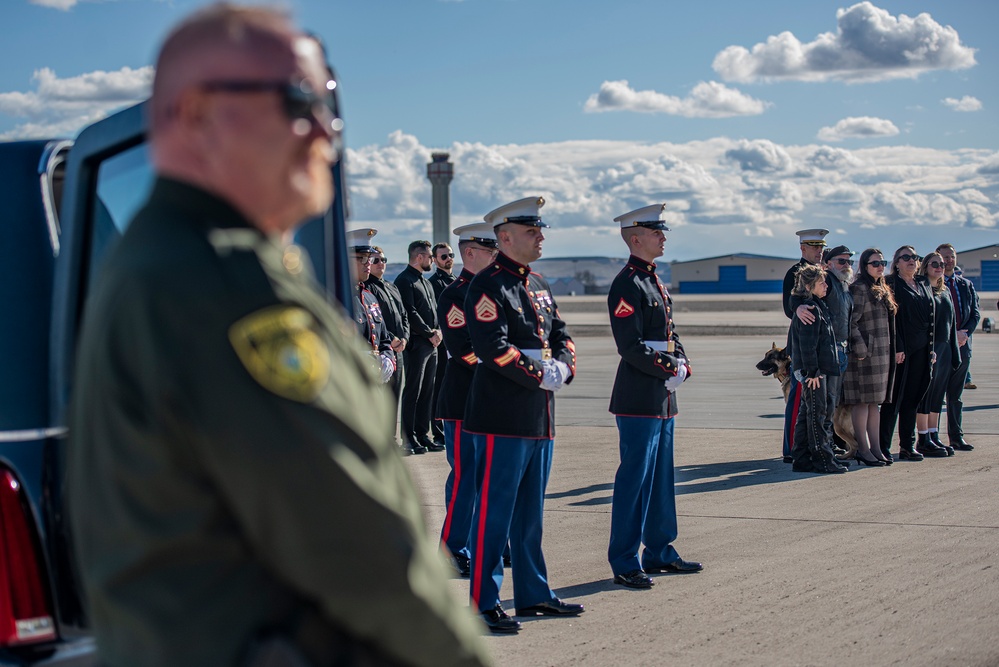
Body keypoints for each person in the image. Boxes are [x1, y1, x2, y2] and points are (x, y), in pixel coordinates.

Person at [66, 5, 488, 667]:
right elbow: (361, 550)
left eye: (328, 105)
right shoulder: (224, 284)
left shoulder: (157, 259)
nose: (324, 130)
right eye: (298, 102)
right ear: (200, 113)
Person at [464, 196, 582, 633]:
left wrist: (565, 365)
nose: (541, 237)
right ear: (505, 237)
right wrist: (540, 373)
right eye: (532, 231)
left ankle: (533, 594)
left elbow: (561, 332)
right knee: (496, 514)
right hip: (502, 417)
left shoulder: (538, 284)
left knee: (531, 514)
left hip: (539, 414)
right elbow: (491, 348)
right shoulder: (487, 285)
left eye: (540, 230)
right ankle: (483, 601)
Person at [605, 204, 702, 591]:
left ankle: (659, 549)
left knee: (661, 477)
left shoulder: (654, 281)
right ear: (635, 238)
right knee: (635, 479)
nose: (663, 236)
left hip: (662, 395)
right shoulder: (627, 282)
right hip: (639, 393)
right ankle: (625, 558)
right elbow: (629, 346)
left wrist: (684, 364)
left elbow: (670, 333)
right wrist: (668, 367)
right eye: (656, 231)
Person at [435, 223, 498, 579]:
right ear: (470, 253)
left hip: (490, 399)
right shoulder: (455, 294)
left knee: (489, 477)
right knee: (466, 478)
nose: (496, 258)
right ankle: (453, 549)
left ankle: (484, 543)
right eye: (490, 252)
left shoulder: (492, 290)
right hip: (463, 400)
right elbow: (464, 351)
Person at [791, 244, 854, 460]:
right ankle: (820, 454)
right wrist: (813, 370)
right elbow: (798, 298)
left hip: (838, 352)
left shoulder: (843, 285)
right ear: (828, 264)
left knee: (826, 405)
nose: (846, 265)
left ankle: (811, 452)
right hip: (820, 359)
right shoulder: (816, 292)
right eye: (841, 261)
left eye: (849, 261)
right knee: (819, 408)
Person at [880, 246, 942, 460]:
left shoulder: (924, 283)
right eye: (905, 257)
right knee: (893, 400)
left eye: (915, 258)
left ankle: (907, 445)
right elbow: (891, 318)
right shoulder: (890, 284)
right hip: (902, 351)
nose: (911, 261)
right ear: (896, 262)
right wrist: (897, 347)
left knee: (913, 399)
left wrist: (931, 349)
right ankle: (883, 447)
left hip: (923, 350)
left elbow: (931, 318)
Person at [842, 249, 897, 465]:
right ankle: (862, 449)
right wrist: (862, 347)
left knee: (875, 404)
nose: (880, 266)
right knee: (861, 404)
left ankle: (876, 448)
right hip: (863, 358)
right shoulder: (859, 288)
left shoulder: (881, 288)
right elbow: (851, 322)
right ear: (864, 266)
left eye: (882, 262)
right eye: (875, 263)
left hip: (881, 357)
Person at [780, 228, 828, 463]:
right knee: (799, 398)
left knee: (818, 404)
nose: (819, 251)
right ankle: (792, 448)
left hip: (822, 341)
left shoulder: (823, 271)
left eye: (821, 247)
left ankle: (816, 444)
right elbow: (789, 307)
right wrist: (798, 306)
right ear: (803, 248)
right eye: (815, 247)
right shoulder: (795, 273)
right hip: (804, 341)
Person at [395, 240, 445, 454]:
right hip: (417, 344)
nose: (432, 260)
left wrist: (438, 330)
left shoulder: (424, 282)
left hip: (431, 343)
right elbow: (410, 312)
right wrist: (429, 332)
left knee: (428, 391)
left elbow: (434, 309)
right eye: (429, 257)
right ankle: (409, 437)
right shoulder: (405, 280)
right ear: (419, 257)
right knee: (413, 390)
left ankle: (423, 434)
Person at [915, 252, 961, 456]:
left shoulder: (945, 291)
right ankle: (923, 437)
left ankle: (933, 434)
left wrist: (955, 353)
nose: (939, 266)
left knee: (937, 395)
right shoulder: (922, 290)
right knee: (925, 394)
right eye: (934, 264)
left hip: (945, 348)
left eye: (941, 264)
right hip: (929, 348)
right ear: (925, 267)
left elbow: (951, 325)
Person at [936, 244, 980, 450]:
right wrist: (951, 335)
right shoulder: (931, 286)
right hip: (942, 346)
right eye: (944, 257)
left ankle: (956, 436)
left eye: (951, 256)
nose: (948, 260)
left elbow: (975, 314)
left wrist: (965, 333)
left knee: (956, 396)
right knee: (935, 394)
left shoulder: (965, 285)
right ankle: (930, 437)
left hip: (963, 345)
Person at [348, 228, 396, 385]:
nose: (368, 263)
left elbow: (383, 338)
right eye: (362, 258)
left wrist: (388, 358)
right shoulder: (339, 297)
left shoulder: (369, 296)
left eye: (369, 258)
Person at [365, 245, 409, 401]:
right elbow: (376, 322)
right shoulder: (368, 288)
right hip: (383, 350)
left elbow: (404, 314)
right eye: (376, 260)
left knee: (395, 396)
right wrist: (392, 339)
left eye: (383, 260)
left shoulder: (391, 286)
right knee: (383, 399)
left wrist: (404, 338)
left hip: (398, 350)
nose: (380, 263)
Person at [429, 242, 457, 447]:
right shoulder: (434, 282)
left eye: (450, 255)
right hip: (442, 343)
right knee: (439, 389)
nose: (448, 259)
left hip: (458, 344)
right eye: (444, 256)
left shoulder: (455, 280)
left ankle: (448, 430)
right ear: (435, 260)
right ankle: (438, 432)